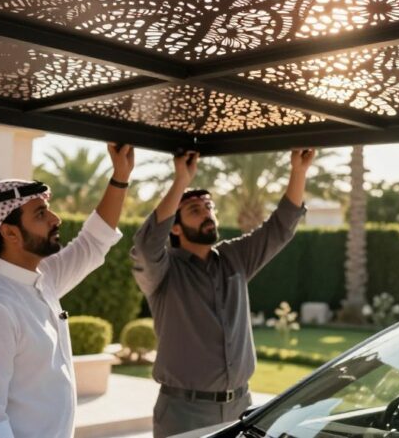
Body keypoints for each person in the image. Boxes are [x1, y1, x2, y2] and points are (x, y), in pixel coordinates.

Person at [0, 143, 136, 437]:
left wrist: (121, 176)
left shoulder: (42, 279)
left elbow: (93, 242)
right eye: (40, 214)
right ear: (10, 232)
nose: (56, 219)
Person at [132, 148, 316, 437]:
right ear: (175, 229)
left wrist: (299, 171)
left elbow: (280, 228)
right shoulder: (163, 272)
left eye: (209, 207)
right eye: (195, 210)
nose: (207, 214)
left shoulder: (235, 257)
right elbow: (146, 245)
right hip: (184, 413)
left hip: (241, 408)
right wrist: (181, 180)